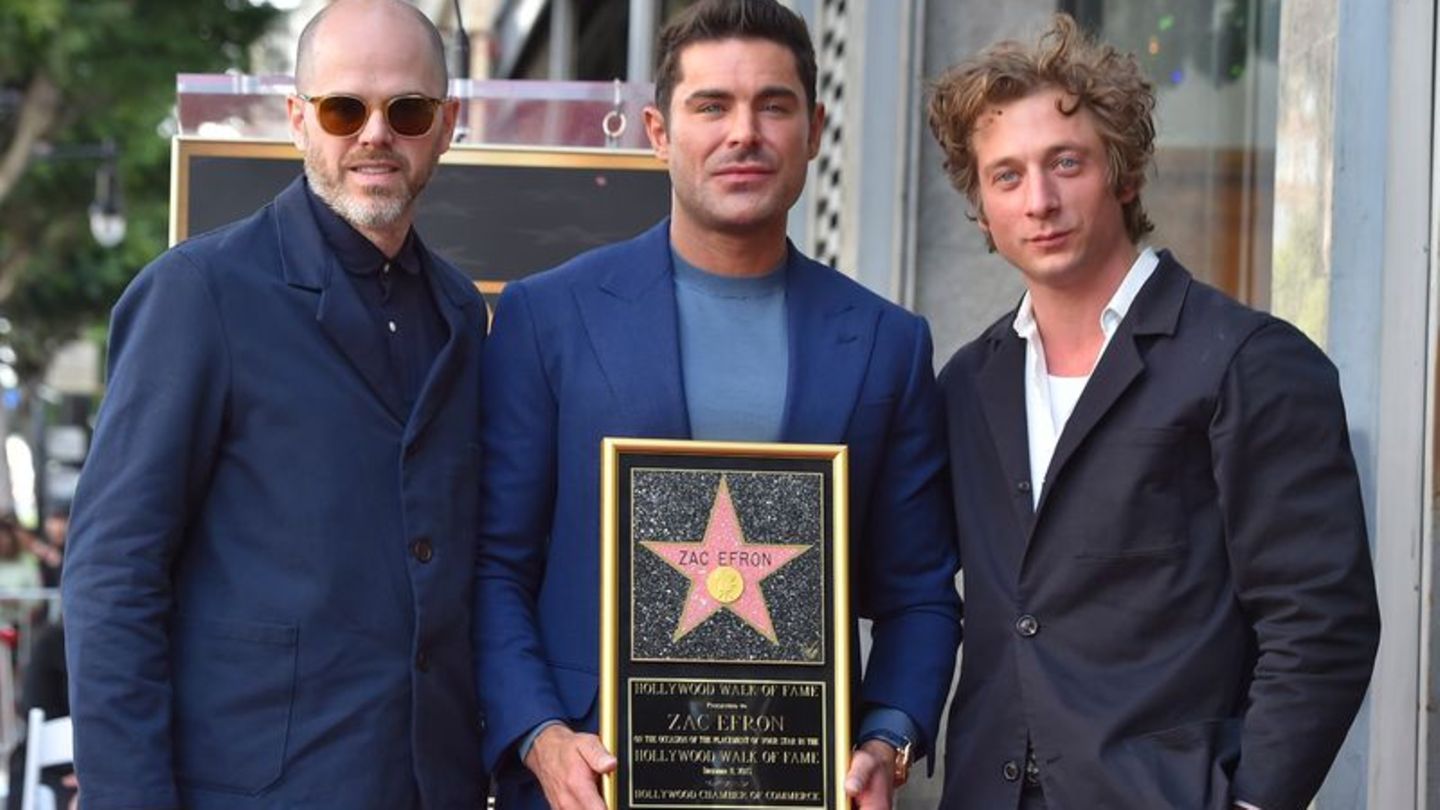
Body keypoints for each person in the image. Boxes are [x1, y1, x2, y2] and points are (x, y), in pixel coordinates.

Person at [474, 2, 962, 809]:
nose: (745, 133)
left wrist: (888, 737)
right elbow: (494, 564)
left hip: (800, 781)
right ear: (660, 132)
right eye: (713, 106)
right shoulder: (547, 318)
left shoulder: (887, 342)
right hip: (589, 782)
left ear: (815, 128)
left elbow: (918, 592)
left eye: (774, 105)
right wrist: (539, 736)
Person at [926, 14, 1381, 810]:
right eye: (1006, 176)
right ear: (982, 207)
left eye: (1066, 163)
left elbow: (1320, 626)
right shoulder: (969, 383)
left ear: (1124, 174)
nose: (1039, 199)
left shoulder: (1249, 363)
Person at [61, 1, 486, 807]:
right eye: (342, 108)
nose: (374, 134)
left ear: (446, 124)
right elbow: (114, 576)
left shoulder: (461, 314)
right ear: (297, 120)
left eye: (407, 109)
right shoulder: (199, 294)